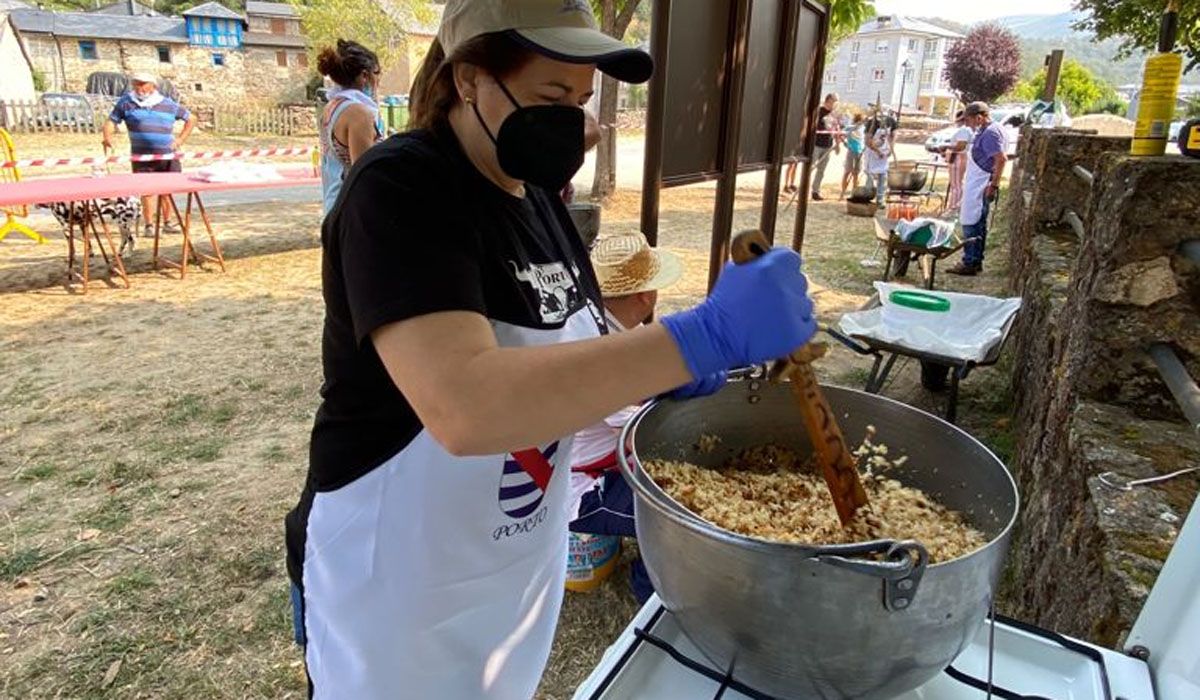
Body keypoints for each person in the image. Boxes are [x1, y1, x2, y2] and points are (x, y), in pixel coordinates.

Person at [282, 1, 818, 697]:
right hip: (400, 578)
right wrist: (700, 338)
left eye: (583, 97)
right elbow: (465, 405)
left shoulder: (537, 200)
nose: (574, 119)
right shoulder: (401, 187)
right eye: (551, 96)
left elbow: (568, 338)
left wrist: (648, 368)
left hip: (510, 559)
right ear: (470, 78)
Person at [566, 231, 715, 604]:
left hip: (612, 463)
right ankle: (652, 594)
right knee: (684, 524)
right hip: (584, 488)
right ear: (647, 295)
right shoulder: (601, 351)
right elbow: (643, 429)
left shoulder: (601, 325)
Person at [102, 71, 196, 238]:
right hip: (141, 156)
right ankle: (149, 225)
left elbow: (191, 119)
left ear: (153, 86)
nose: (139, 87)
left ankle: (167, 222)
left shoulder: (167, 104)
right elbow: (111, 121)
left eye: (143, 84)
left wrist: (180, 140)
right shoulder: (126, 103)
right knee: (147, 191)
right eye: (136, 84)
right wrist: (107, 137)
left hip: (167, 155)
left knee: (167, 190)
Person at [317, 39, 385, 214]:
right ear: (364, 76)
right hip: (353, 214)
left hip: (334, 207)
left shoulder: (332, 107)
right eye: (377, 73)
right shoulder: (358, 113)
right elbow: (364, 175)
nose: (379, 81)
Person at [948, 102, 1008, 276]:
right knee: (977, 223)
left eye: (969, 120)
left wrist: (993, 184)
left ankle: (970, 261)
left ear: (980, 117)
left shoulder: (990, 133)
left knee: (972, 221)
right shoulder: (990, 129)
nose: (967, 124)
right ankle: (974, 260)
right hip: (978, 180)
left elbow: (1001, 159)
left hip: (981, 183)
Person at [784, 93, 840, 199]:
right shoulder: (818, 111)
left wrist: (837, 144)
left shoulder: (834, 114)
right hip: (816, 145)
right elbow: (807, 125)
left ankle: (815, 191)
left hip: (827, 145)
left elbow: (836, 128)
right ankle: (803, 191)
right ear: (829, 100)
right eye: (835, 100)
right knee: (810, 168)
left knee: (821, 170)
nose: (836, 103)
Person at [942, 110, 972, 211]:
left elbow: (960, 146)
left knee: (956, 184)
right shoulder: (967, 130)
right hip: (958, 157)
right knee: (956, 184)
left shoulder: (964, 130)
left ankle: (954, 207)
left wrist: (946, 146)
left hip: (958, 157)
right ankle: (955, 205)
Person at [864, 109, 893, 208]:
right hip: (872, 155)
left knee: (882, 176)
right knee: (870, 177)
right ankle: (867, 197)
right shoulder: (871, 124)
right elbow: (868, 141)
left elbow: (891, 137)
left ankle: (880, 199)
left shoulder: (890, 123)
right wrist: (877, 151)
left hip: (883, 155)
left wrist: (889, 150)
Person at [839, 113, 866, 199]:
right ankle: (843, 191)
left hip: (860, 152)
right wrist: (845, 143)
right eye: (861, 121)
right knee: (847, 172)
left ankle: (854, 192)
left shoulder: (864, 129)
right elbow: (841, 135)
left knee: (856, 173)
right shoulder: (850, 128)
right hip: (851, 151)